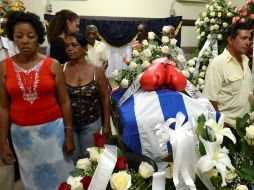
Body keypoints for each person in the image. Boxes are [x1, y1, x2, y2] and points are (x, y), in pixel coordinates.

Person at [0, 11, 75, 189]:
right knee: (33, 180)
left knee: (62, 177)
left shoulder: (53, 65)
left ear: (38, 38)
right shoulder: (4, 67)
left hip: (53, 134)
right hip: (22, 137)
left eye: (30, 36)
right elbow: (3, 108)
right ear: (13, 38)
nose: (25, 40)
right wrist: (3, 142)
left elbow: (65, 102)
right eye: (19, 36)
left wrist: (69, 134)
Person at [64, 32, 111, 163]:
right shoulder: (62, 69)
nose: (69, 48)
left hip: (91, 123)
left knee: (88, 159)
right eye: (67, 45)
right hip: (69, 125)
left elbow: (105, 97)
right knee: (71, 158)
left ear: (85, 48)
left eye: (74, 45)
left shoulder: (97, 70)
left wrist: (106, 125)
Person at [203, 23, 252, 129]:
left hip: (246, 127)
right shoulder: (218, 63)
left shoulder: (246, 61)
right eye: (243, 38)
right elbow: (209, 100)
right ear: (230, 40)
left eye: (249, 39)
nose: (248, 42)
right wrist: (222, 126)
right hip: (227, 128)